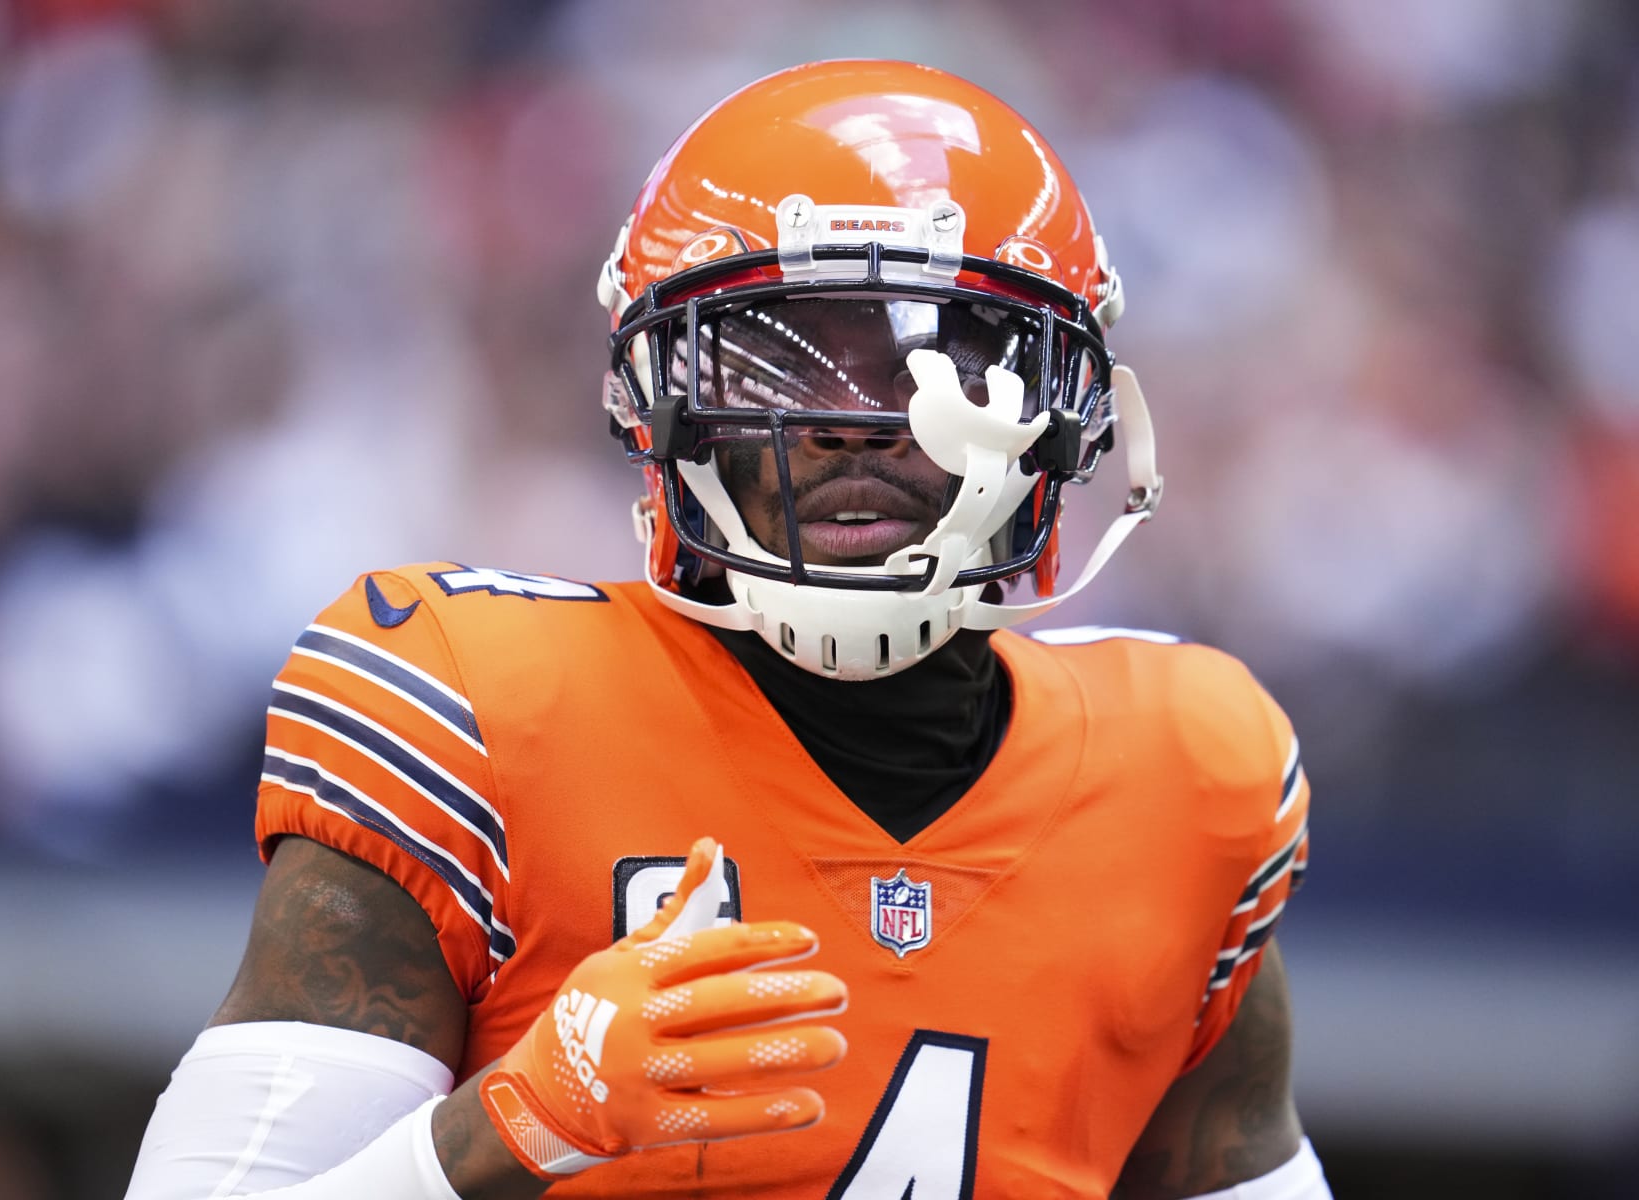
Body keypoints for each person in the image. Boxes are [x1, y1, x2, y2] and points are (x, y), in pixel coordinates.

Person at [123, 59, 1331, 1199]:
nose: (855, 421)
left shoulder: (1184, 778)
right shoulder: (472, 711)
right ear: (656, 399)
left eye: (938, 362)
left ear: (1070, 415)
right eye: (779, 359)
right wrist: (519, 1121)